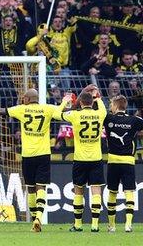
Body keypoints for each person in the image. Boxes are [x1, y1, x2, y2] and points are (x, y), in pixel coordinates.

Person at [0, 87, 67, 232]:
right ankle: (38, 217)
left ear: (27, 99)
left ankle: (34, 219)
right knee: (41, 187)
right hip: (43, 154)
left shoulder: (21, 109)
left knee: (31, 188)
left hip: (27, 155)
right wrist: (65, 101)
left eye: (24, 98)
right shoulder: (48, 108)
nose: (23, 100)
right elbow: (62, 113)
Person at [61, 85, 107, 232]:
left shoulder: (75, 115)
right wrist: (95, 95)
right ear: (92, 102)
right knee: (96, 192)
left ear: (81, 103)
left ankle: (78, 224)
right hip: (96, 158)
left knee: (78, 191)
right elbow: (101, 103)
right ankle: (95, 225)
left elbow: (61, 113)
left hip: (80, 159)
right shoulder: (100, 113)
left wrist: (78, 97)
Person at [103, 95, 143, 233]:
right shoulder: (134, 120)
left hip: (113, 161)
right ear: (125, 106)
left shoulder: (108, 119)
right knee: (129, 192)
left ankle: (112, 226)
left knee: (112, 193)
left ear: (114, 105)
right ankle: (128, 224)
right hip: (128, 162)